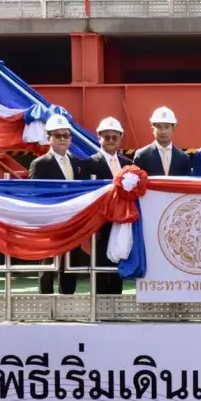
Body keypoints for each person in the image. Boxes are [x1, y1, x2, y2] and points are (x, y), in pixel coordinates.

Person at [28, 114, 84, 295]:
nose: (62, 139)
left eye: (65, 135)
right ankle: (46, 302)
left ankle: (67, 301)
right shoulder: (39, 164)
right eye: (57, 135)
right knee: (48, 265)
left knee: (71, 264)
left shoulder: (76, 163)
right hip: (51, 222)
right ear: (49, 138)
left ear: (70, 138)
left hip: (72, 221)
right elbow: (36, 195)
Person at [87, 117, 133, 295]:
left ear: (120, 138)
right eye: (107, 137)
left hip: (122, 223)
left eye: (115, 137)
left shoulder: (128, 164)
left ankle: (116, 304)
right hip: (100, 225)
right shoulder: (90, 163)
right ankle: (99, 305)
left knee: (118, 266)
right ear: (99, 137)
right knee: (99, 267)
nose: (111, 140)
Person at [133, 106, 192, 176]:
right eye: (159, 127)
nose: (163, 131)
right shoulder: (141, 156)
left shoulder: (183, 158)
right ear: (152, 129)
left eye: (166, 127)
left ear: (173, 129)